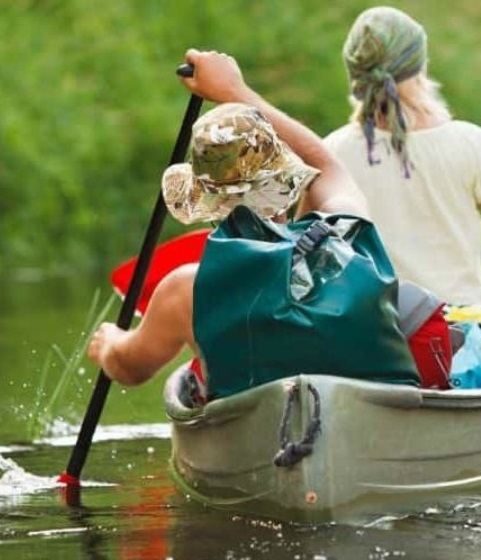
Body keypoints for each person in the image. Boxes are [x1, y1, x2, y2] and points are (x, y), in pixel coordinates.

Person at [87, 49, 416, 391]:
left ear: (208, 203)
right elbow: (326, 165)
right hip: (381, 414)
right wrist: (234, 91)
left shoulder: (186, 289)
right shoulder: (347, 229)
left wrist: (109, 344)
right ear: (287, 183)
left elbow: (130, 367)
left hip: (263, 433)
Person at [322, 6, 481, 307]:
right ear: (418, 67)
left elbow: (306, 251)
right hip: (459, 330)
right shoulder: (469, 143)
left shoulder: (330, 153)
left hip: (374, 330)